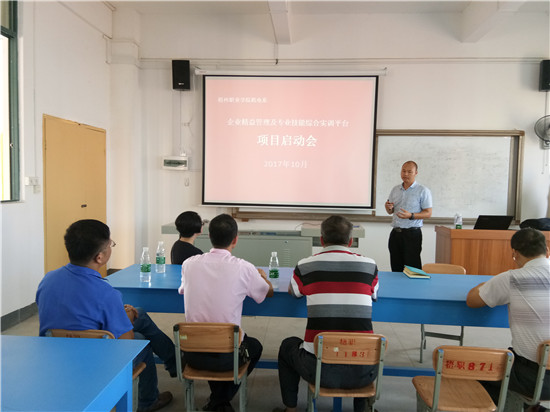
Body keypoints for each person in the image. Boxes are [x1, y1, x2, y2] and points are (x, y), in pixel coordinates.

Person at [36, 219, 174, 412]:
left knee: (139, 315)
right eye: (110, 245)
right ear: (100, 257)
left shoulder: (48, 280)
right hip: (97, 362)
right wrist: (126, 317)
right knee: (142, 341)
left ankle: (172, 360)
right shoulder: (106, 293)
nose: (111, 248)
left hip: (55, 357)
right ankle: (149, 400)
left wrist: (121, 314)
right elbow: (127, 343)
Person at [274, 215, 380, 412]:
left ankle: (290, 409)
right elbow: (374, 294)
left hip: (318, 370)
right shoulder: (369, 265)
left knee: (288, 345)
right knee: (362, 346)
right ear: (350, 241)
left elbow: (293, 292)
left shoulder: (305, 265)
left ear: (321, 240)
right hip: (363, 372)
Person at [178, 213, 273, 412]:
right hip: (228, 357)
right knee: (254, 346)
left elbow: (183, 290)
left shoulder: (189, 264)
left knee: (217, 338)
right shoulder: (244, 268)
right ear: (235, 240)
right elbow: (266, 292)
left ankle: (218, 401)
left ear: (209, 236)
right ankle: (219, 401)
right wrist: (262, 276)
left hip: (192, 353)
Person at [466, 228, 550, 411]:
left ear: (515, 254)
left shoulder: (512, 279)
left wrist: (486, 284)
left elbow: (472, 300)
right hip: (539, 372)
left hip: (535, 377)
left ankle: (521, 406)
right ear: (547, 250)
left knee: (473, 370)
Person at [385, 160, 432, 272]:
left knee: (412, 269)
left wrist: (411, 215)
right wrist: (388, 207)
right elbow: (390, 211)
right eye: (403, 171)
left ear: (416, 173)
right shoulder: (395, 189)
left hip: (412, 234)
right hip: (395, 234)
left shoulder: (423, 190)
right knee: (396, 268)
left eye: (409, 172)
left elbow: (428, 213)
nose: (405, 174)